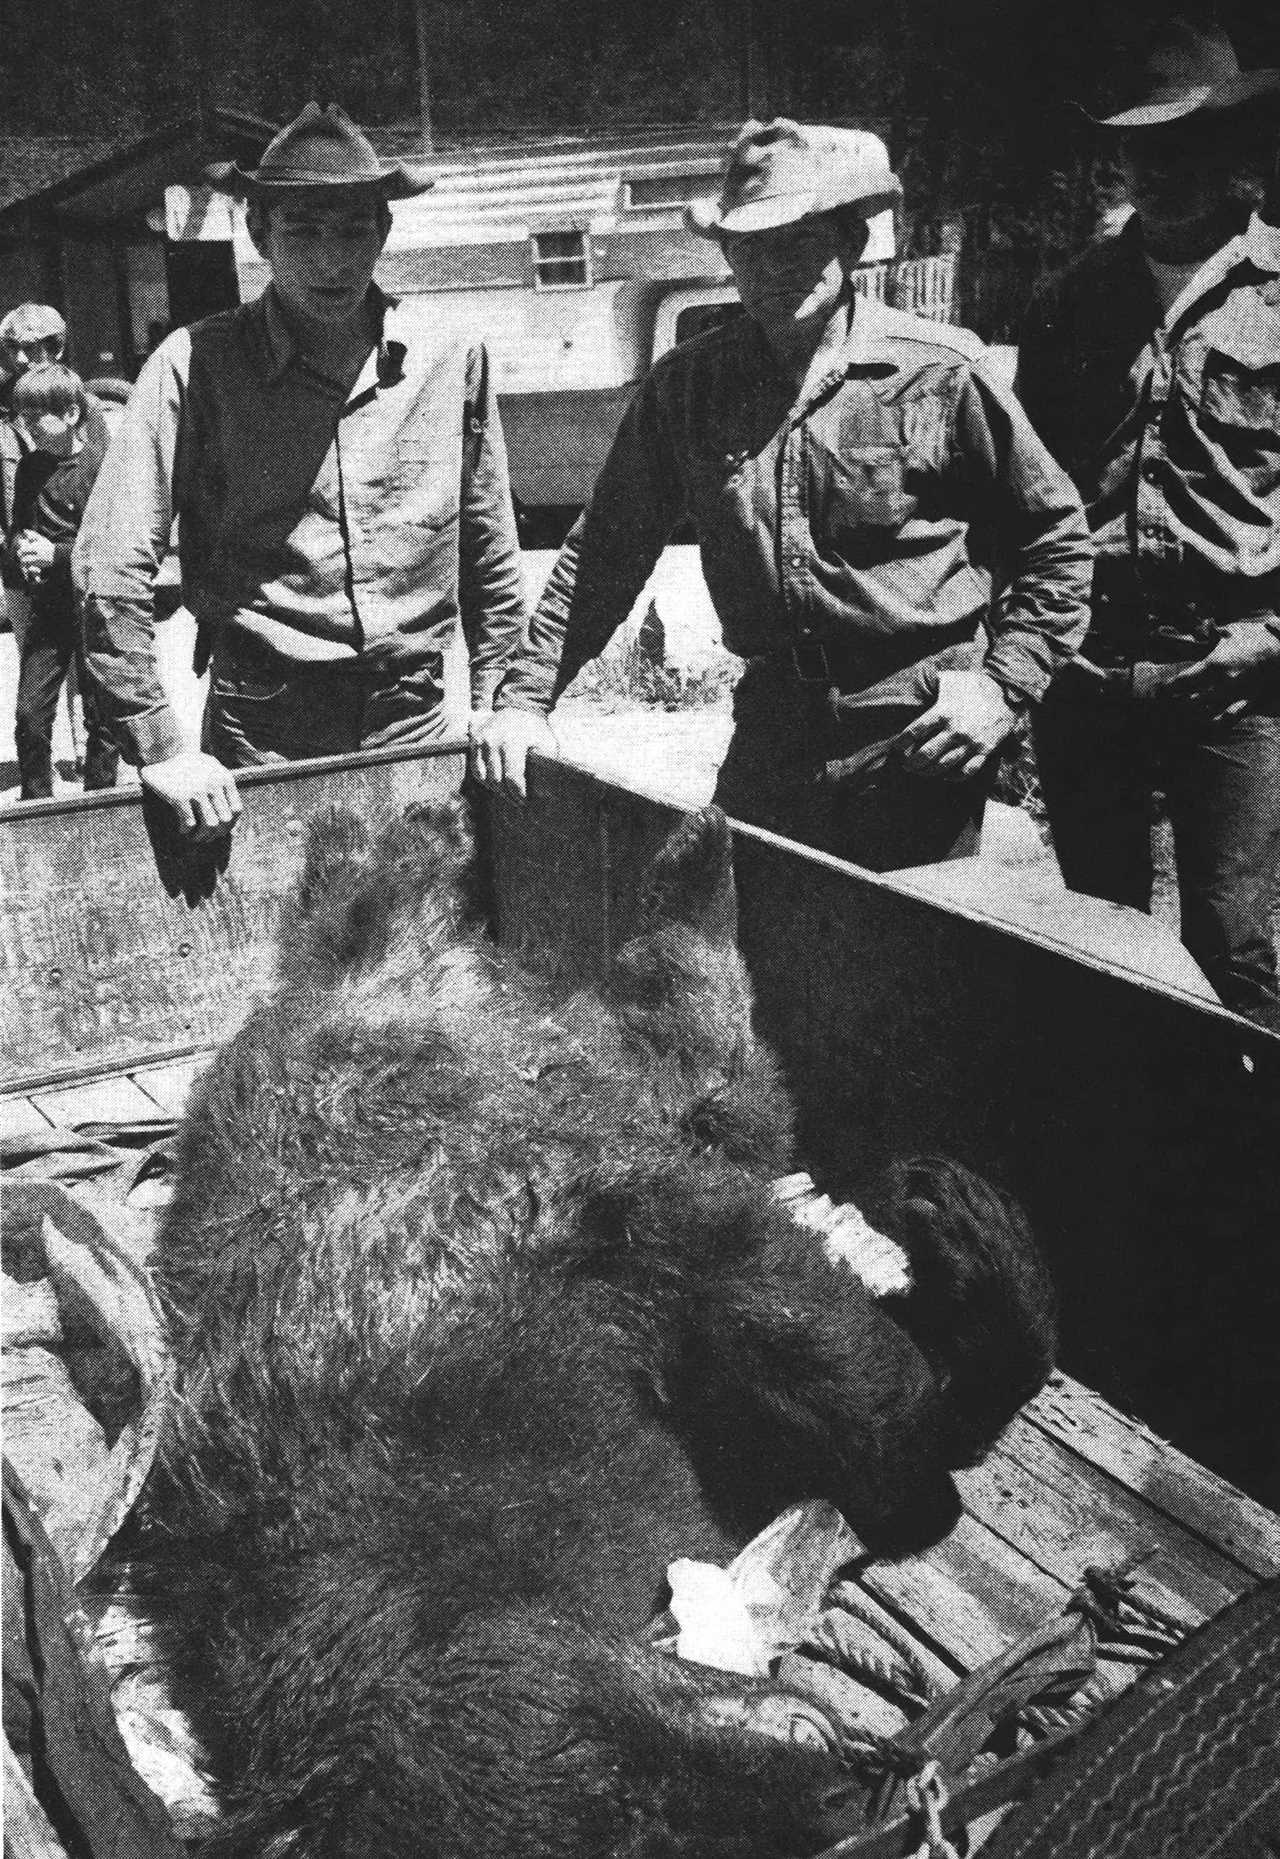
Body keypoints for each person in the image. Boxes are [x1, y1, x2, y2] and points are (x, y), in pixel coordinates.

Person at [473, 119, 1092, 873]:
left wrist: (1001, 687)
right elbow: (606, 550)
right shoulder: (689, 389)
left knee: (910, 967)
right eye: (751, 247)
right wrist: (526, 699)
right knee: (751, 960)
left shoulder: (940, 373)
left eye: (799, 241)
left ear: (851, 246)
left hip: (918, 729)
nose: (775, 267)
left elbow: (1054, 539)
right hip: (774, 729)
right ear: (727, 259)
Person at [73, 104, 526, 840]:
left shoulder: (451, 359)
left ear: (383, 231)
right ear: (260, 234)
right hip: (264, 733)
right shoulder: (195, 367)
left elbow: (491, 552)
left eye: (353, 229)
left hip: (417, 725)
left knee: (427, 935)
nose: (332, 260)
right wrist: (159, 744)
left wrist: (506, 699)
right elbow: (110, 565)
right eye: (303, 230)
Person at [1016, 18, 1280, 1030]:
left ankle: (1246, 1162)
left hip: (1236, 671)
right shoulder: (1066, 302)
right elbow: (1022, 495)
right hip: (1087, 669)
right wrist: (1033, 642)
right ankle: (1121, 1158)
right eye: (1141, 145)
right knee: (1097, 938)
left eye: (1187, 144)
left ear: (1237, 160)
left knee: (1232, 944)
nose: (1161, 168)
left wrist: (1264, 639)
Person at [6, 364, 118, 798]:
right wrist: (24, 550)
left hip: (95, 606)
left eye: (38, 417)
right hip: (49, 609)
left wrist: (55, 554)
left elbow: (112, 544)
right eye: (23, 417)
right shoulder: (30, 467)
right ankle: (36, 803)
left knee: (100, 715)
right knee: (31, 714)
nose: (29, 427)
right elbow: (22, 524)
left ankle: (100, 801)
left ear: (71, 414)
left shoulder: (102, 465)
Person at [2, 304, 68, 651]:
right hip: (17, 560)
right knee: (34, 679)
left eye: (32, 348)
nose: (22, 359)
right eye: (13, 348)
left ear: (56, 347)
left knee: (85, 679)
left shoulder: (75, 403)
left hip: (68, 558)